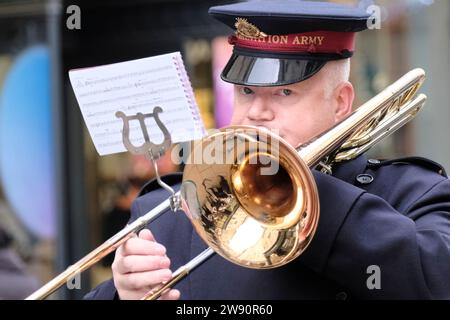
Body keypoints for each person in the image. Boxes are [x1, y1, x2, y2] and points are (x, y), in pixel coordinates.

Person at [85, 0, 450, 300]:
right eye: (246, 91)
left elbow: (435, 281)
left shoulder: (412, 194)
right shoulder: (173, 208)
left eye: (284, 93)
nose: (257, 112)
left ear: (341, 102)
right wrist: (122, 293)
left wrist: (307, 195)